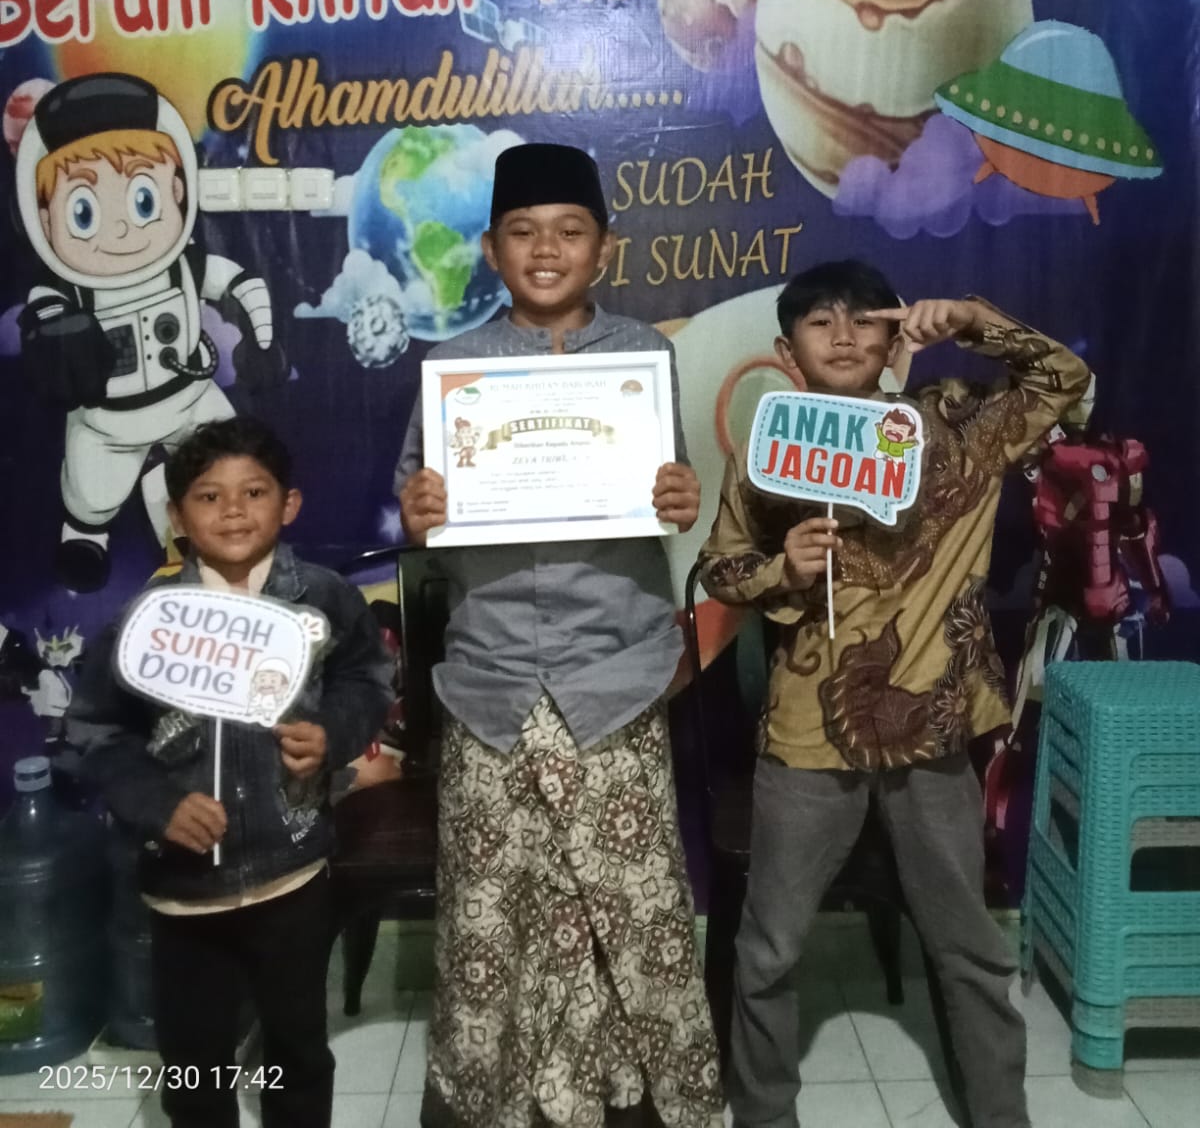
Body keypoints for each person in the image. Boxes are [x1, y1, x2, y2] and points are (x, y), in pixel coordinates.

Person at [698, 260, 1091, 1128]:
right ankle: (763, 1116)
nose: (843, 336)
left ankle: (1001, 1115)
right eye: (819, 322)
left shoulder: (954, 424)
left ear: (892, 335)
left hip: (934, 729)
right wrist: (780, 569)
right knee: (768, 951)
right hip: (807, 733)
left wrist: (976, 320)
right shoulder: (770, 453)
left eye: (863, 320)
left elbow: (1065, 379)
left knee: (969, 948)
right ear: (786, 351)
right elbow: (718, 568)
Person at [397, 142, 723, 1128]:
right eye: (524, 232)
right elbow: (420, 508)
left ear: (604, 248)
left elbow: (664, 491)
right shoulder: (451, 368)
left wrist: (678, 495)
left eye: (570, 231)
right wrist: (419, 510)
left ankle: (625, 1092)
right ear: (492, 250)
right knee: (493, 908)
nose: (546, 249)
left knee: (629, 911)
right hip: (491, 680)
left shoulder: (642, 354)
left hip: (613, 673)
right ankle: (492, 1094)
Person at [66, 416, 392, 1128]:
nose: (234, 510)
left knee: (297, 1052)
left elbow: (366, 681)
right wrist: (157, 803)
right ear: (177, 516)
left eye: (255, 491)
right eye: (209, 497)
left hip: (293, 875)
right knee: (196, 1067)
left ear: (289, 504)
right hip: (185, 894)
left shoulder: (323, 597)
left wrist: (332, 734)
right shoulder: (145, 619)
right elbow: (96, 732)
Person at [14, 73, 285, 592]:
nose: (120, 229)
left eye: (143, 199)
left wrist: (263, 340)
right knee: (93, 491)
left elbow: (240, 284)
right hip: (107, 422)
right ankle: (85, 536)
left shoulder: (184, 267)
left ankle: (205, 539)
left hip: (188, 399)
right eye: (84, 211)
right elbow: (42, 315)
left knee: (228, 463)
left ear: (178, 190)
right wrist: (54, 334)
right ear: (42, 219)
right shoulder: (68, 292)